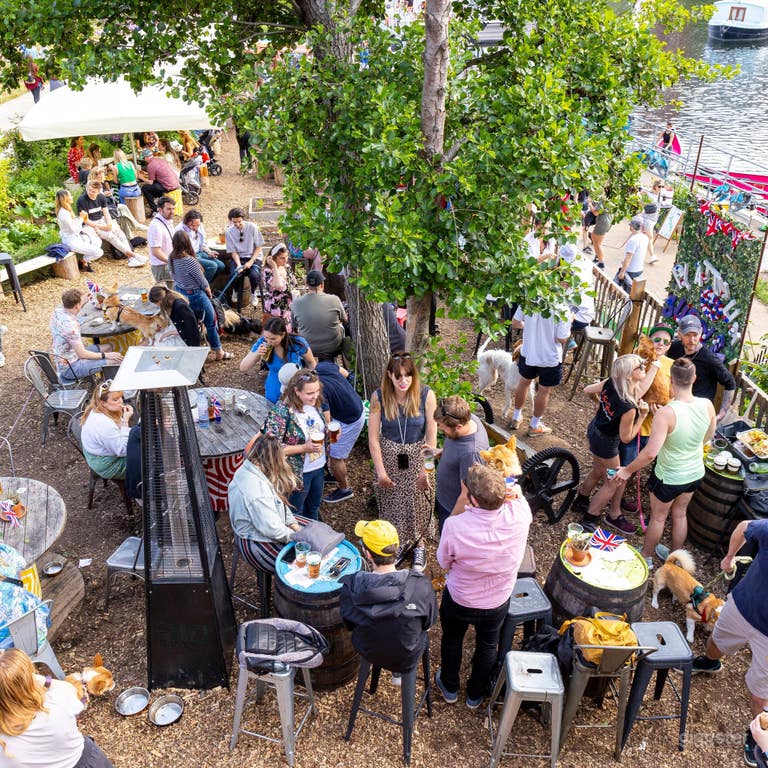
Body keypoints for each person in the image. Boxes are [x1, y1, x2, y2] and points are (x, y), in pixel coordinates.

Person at [435, 464, 532, 708]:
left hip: (460, 598)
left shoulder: (455, 526)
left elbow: (443, 562)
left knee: (453, 639)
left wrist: (460, 499)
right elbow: (517, 489)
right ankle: (475, 695)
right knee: (488, 643)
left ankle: (449, 687)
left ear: (473, 501)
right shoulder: (521, 515)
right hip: (497, 600)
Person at [616, 357, 716, 565]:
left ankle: (647, 556)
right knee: (680, 514)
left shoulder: (666, 413)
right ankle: (674, 558)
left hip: (669, 475)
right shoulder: (707, 404)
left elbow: (651, 453)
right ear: (694, 378)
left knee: (659, 518)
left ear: (671, 380)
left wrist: (626, 470)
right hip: (695, 472)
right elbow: (708, 436)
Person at [688, 519, 768, 767]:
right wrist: (729, 557)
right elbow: (745, 526)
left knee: (760, 694)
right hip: (741, 607)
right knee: (716, 642)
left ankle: (761, 738)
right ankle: (710, 663)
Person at [339, 519, 437, 682]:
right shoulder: (421, 584)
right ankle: (398, 672)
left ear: (367, 554)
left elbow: (349, 624)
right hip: (407, 654)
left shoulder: (352, 586)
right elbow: (428, 623)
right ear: (397, 549)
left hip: (368, 649)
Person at [368, 351, 437, 571]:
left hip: (418, 456)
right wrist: (380, 472)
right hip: (389, 456)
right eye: (398, 376)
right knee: (391, 502)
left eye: (407, 375)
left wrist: (425, 470)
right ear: (390, 375)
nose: (403, 381)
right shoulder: (379, 397)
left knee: (417, 502)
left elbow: (431, 438)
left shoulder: (427, 395)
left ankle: (419, 544)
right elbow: (373, 438)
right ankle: (395, 542)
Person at [572, 354, 651, 535]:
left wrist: (600, 405)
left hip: (595, 431)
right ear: (629, 376)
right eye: (640, 366)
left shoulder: (612, 382)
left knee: (598, 469)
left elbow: (588, 390)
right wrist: (643, 416)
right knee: (614, 482)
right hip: (607, 444)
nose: (643, 367)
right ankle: (590, 517)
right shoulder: (629, 408)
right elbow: (626, 438)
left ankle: (581, 500)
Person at [0, 648, 114, 768]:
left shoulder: (5, 743)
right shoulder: (59, 697)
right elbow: (65, 691)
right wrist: (18, 675)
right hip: (91, 761)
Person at [228, 434, 309, 574]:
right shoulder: (257, 490)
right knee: (305, 565)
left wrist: (296, 527)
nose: (285, 460)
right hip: (255, 542)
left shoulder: (251, 466)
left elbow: (280, 504)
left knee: (314, 529)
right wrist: (301, 538)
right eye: (283, 458)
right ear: (273, 460)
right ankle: (292, 591)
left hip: (268, 526)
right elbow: (274, 530)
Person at [263, 368, 327, 520]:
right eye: (310, 393)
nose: (315, 396)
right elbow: (271, 448)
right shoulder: (282, 411)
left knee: (314, 507)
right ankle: (296, 541)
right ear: (297, 391)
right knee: (295, 512)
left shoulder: (315, 404)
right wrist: (304, 448)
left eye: (317, 391)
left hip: (318, 466)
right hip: (297, 472)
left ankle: (313, 537)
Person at [167, 230, 231, 361]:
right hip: (195, 295)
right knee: (211, 322)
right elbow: (202, 282)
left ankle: (201, 347)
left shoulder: (171, 258)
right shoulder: (189, 260)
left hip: (180, 294)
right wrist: (208, 292)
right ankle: (219, 351)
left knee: (193, 323)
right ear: (187, 243)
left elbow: (173, 276)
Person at [510, 303, 571, 436]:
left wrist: (530, 329)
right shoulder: (562, 308)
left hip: (529, 351)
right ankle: (534, 425)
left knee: (524, 382)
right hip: (549, 357)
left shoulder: (531, 299)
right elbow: (562, 338)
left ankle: (515, 417)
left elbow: (515, 322)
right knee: (544, 390)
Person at [433, 395, 489, 534]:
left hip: (453, 510)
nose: (440, 429)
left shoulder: (471, 454)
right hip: (445, 501)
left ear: (458, 426)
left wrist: (450, 523)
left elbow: (467, 496)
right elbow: (457, 449)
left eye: (443, 428)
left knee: (449, 552)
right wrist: (442, 452)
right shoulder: (470, 419)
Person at [667, 315, 736, 422]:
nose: (692, 340)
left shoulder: (709, 359)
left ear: (701, 332)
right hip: (675, 408)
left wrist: (722, 413)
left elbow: (730, 383)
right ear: (680, 334)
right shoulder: (674, 348)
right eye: (687, 335)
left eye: (695, 335)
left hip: (698, 414)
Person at [315, 360, 366, 504]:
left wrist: (330, 440)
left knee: (335, 456)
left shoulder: (320, 393)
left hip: (351, 420)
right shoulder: (323, 366)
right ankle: (333, 475)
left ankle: (345, 489)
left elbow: (327, 423)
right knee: (331, 448)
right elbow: (346, 374)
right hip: (354, 404)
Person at [50, 288, 122, 382]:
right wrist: (106, 355)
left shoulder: (57, 312)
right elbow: (82, 354)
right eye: (80, 303)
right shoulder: (71, 328)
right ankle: (110, 391)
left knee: (108, 346)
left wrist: (83, 299)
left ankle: (104, 381)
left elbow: (73, 304)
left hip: (69, 356)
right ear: (77, 306)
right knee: (115, 360)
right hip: (71, 368)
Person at [239, 316, 316, 404]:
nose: (269, 342)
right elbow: (243, 367)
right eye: (266, 337)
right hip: (274, 385)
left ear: (283, 335)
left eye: (273, 339)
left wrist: (311, 384)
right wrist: (256, 353)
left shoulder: (297, 343)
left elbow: (311, 363)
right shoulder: (263, 343)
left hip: (295, 384)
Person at [76, 181, 145, 267]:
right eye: (89, 190)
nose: (90, 193)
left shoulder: (101, 197)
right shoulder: (82, 200)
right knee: (111, 237)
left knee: (118, 233)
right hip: (89, 225)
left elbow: (106, 213)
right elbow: (85, 220)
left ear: (98, 191)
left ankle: (132, 257)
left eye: (93, 191)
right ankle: (133, 256)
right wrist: (101, 227)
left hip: (101, 221)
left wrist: (109, 224)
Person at [80, 381, 133, 479]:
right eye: (115, 399)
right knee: (145, 459)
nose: (121, 401)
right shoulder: (103, 424)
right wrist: (125, 421)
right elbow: (122, 450)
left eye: (121, 397)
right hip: (107, 465)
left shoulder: (98, 408)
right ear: (103, 402)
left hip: (99, 453)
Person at [290, 270, 348, 359]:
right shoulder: (334, 299)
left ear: (306, 284)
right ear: (322, 284)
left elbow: (294, 326)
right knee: (345, 327)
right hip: (333, 345)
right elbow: (344, 319)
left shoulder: (296, 303)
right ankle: (347, 365)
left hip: (307, 346)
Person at [54, 189, 103, 271]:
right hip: (71, 242)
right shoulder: (64, 214)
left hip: (77, 237)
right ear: (66, 198)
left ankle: (86, 260)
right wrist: (81, 218)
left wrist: (80, 218)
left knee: (98, 241)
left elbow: (73, 226)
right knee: (99, 252)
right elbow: (74, 230)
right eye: (70, 195)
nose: (72, 197)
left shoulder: (66, 210)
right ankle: (83, 261)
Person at [225, 208, 265, 306]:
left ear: (243, 219)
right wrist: (239, 265)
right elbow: (233, 251)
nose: (237, 224)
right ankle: (235, 291)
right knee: (235, 274)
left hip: (254, 256)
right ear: (230, 220)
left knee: (254, 275)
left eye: (239, 221)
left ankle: (253, 293)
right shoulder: (229, 232)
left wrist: (251, 261)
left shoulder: (252, 227)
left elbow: (259, 246)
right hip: (239, 257)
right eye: (234, 222)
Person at [176, 209, 225, 284]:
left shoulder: (199, 225)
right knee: (213, 266)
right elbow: (180, 251)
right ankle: (202, 287)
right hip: (189, 255)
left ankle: (207, 284)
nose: (196, 228)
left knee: (221, 266)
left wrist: (209, 252)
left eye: (197, 225)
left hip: (200, 252)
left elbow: (202, 244)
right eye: (192, 225)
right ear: (187, 222)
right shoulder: (180, 230)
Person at [262, 242, 297, 328]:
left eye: (286, 257)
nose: (285, 260)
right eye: (282, 258)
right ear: (273, 258)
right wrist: (274, 267)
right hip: (276, 307)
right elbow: (278, 285)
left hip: (290, 306)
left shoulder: (287, 267)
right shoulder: (267, 271)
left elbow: (294, 284)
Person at [147, 196, 176, 286]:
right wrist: (170, 261)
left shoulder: (168, 220)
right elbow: (156, 251)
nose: (172, 212)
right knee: (169, 296)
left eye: (173, 209)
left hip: (169, 264)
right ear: (160, 210)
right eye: (168, 209)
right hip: (162, 266)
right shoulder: (156, 226)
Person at [616, 217, 648, 292]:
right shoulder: (645, 237)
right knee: (633, 291)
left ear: (632, 227)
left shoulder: (633, 240)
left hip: (630, 270)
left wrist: (622, 272)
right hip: (639, 269)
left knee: (625, 291)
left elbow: (628, 257)